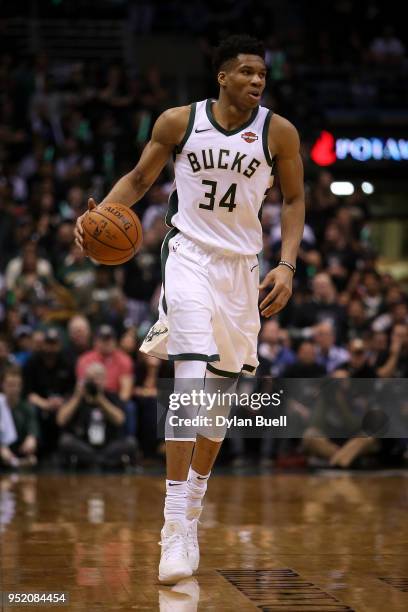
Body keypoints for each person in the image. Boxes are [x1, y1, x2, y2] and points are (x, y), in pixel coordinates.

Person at [75, 35, 305, 584]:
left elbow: (295, 201)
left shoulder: (280, 132)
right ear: (221, 77)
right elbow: (138, 179)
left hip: (243, 269)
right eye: (246, 72)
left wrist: (287, 264)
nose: (256, 81)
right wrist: (98, 217)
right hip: (189, 256)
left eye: (262, 74)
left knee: (219, 401)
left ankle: (193, 508)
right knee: (190, 380)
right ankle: (173, 524)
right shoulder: (180, 121)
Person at [57, 363, 137, 469]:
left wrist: (100, 400)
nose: (94, 382)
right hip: (84, 445)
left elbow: (120, 420)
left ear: (105, 380)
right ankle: (102, 462)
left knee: (131, 443)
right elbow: (60, 420)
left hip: (108, 446)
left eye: (98, 378)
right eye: (90, 379)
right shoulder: (77, 397)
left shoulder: (112, 396)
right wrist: (77, 397)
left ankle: (93, 461)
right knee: (65, 441)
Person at [0, 366, 39, 468]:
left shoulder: (27, 408)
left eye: (17, 385)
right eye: (10, 385)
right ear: (2, 385)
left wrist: (32, 439)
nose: (14, 389)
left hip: (19, 453)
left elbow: (33, 429)